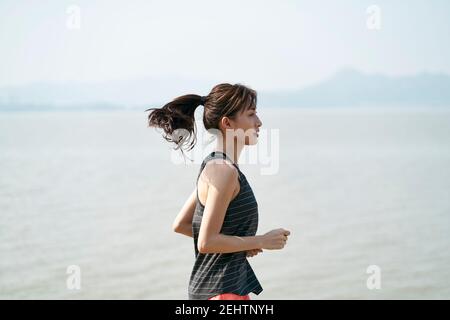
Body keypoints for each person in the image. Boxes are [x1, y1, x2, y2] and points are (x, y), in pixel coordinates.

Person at [147, 83, 290, 300]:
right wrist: (260, 241)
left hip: (218, 290)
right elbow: (206, 242)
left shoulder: (216, 165)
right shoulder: (223, 171)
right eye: (251, 115)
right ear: (227, 123)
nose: (259, 122)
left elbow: (182, 224)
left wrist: (238, 244)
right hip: (222, 293)